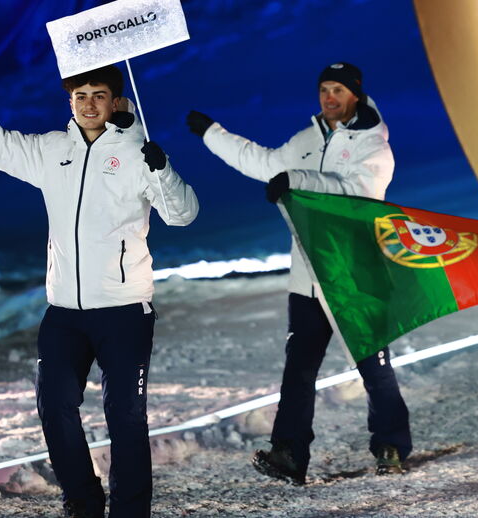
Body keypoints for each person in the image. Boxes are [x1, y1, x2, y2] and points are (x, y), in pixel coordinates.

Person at [0, 59, 198, 517]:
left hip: (124, 309)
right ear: (70, 101)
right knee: (54, 406)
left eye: (99, 96)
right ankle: (83, 501)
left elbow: (182, 214)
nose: (89, 105)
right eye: (80, 96)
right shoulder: (52, 152)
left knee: (125, 416)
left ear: (115, 101)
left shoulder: (138, 153)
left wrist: (162, 169)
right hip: (65, 311)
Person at [186, 62, 412, 484]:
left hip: (355, 278)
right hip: (306, 277)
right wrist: (213, 135)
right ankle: (289, 453)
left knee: (374, 367)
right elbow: (265, 162)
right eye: (324, 89)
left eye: (338, 90)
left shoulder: (374, 147)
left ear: (356, 95)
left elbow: (356, 193)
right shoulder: (307, 139)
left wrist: (297, 178)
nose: (329, 98)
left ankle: (391, 444)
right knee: (299, 370)